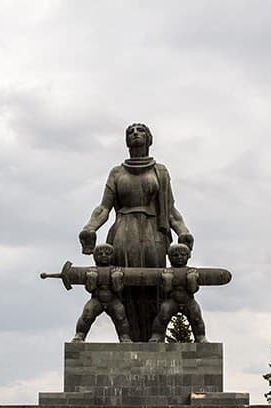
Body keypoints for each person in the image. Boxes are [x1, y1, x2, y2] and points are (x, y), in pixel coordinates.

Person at [78, 123, 194, 342]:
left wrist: (183, 231)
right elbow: (104, 208)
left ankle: (153, 338)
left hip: (154, 235)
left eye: (140, 131)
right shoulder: (117, 172)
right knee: (123, 287)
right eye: (130, 132)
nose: (135, 134)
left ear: (149, 139)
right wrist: (90, 227)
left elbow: (170, 211)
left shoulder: (159, 171)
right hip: (123, 232)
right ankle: (128, 338)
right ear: (126, 141)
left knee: (155, 285)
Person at [71, 244, 131, 343]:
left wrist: (117, 280)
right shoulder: (92, 270)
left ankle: (124, 337)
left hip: (112, 299)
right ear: (95, 257)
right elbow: (90, 289)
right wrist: (91, 280)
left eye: (107, 254)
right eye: (100, 254)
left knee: (120, 315)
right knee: (87, 313)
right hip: (97, 299)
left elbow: (118, 289)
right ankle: (80, 335)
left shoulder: (116, 270)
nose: (104, 255)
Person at [149, 244, 207, 343]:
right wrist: (167, 281)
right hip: (172, 300)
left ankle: (200, 336)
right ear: (170, 257)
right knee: (163, 315)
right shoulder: (167, 271)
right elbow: (166, 291)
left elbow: (193, 290)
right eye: (175, 255)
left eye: (183, 255)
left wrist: (192, 280)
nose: (179, 257)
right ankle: (157, 335)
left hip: (188, 300)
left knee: (196, 317)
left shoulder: (191, 270)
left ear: (188, 256)